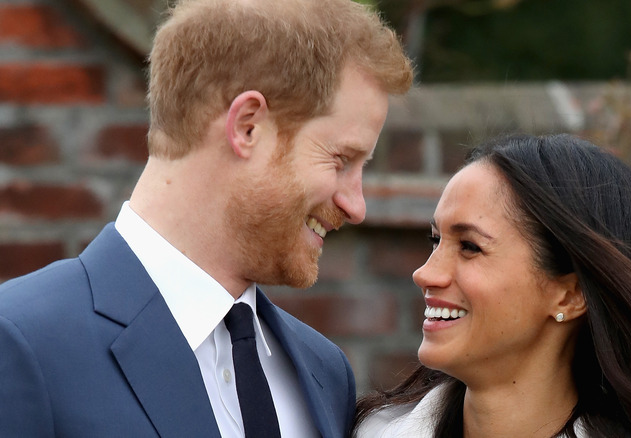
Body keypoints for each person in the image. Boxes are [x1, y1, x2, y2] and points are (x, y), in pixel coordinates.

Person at [0, 0, 412, 437]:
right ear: (248, 126)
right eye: (341, 159)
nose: (357, 205)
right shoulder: (24, 343)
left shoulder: (324, 372)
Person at [353, 134, 631, 437]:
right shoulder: (366, 430)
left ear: (570, 294)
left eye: (469, 247)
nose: (425, 273)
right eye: (436, 241)